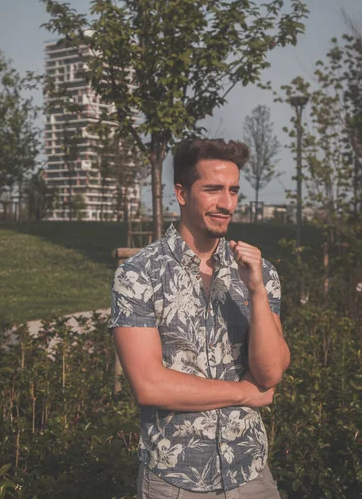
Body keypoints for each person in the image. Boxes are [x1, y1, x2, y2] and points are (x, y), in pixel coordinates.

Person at [110, 138, 290, 499]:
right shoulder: (139, 274)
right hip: (174, 480)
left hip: (250, 473)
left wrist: (256, 292)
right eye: (212, 190)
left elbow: (270, 375)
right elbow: (150, 386)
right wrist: (243, 392)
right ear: (181, 193)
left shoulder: (259, 272)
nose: (226, 203)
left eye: (233, 190)